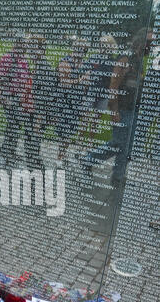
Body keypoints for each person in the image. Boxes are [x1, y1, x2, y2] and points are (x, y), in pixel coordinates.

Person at [81, 27, 153, 187]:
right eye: (149, 42)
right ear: (142, 42)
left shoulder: (138, 59)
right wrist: (114, 110)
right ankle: (88, 160)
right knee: (118, 143)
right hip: (122, 110)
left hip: (133, 109)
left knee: (127, 146)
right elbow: (113, 85)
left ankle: (118, 176)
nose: (152, 45)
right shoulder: (125, 58)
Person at [0, 32, 33, 167]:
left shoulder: (24, 59)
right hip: (9, 97)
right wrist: (3, 98)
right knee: (13, 124)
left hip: (20, 98)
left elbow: (26, 75)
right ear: (17, 43)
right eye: (24, 44)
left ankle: (7, 150)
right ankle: (7, 153)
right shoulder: (7, 58)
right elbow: (0, 78)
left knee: (15, 125)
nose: (26, 46)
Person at [55, 37, 90, 163]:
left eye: (84, 50)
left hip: (77, 101)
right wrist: (81, 80)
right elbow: (64, 82)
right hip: (65, 101)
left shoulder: (83, 63)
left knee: (70, 131)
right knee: (64, 132)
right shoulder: (66, 62)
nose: (82, 52)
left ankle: (63, 155)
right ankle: (59, 158)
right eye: (80, 49)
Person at [27, 34, 59, 170]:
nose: (30, 52)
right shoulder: (39, 66)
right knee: (31, 148)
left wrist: (39, 120)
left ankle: (38, 175)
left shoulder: (43, 68)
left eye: (32, 49)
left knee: (33, 149)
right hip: (36, 113)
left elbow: (46, 97)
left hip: (39, 116)